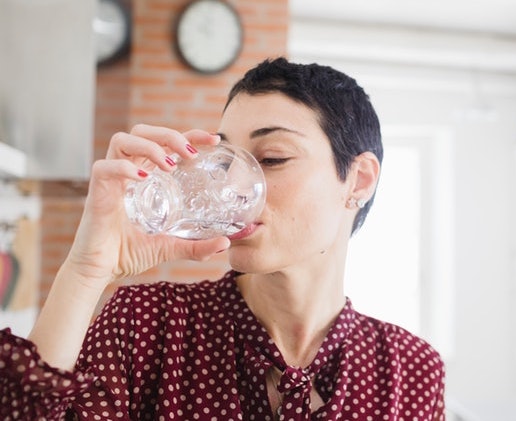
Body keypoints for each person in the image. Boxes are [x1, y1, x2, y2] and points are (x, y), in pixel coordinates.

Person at [0, 58, 445, 420]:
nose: (233, 186)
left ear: (359, 181)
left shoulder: (411, 370)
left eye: (272, 158)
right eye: (225, 160)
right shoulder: (148, 326)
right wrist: (86, 270)